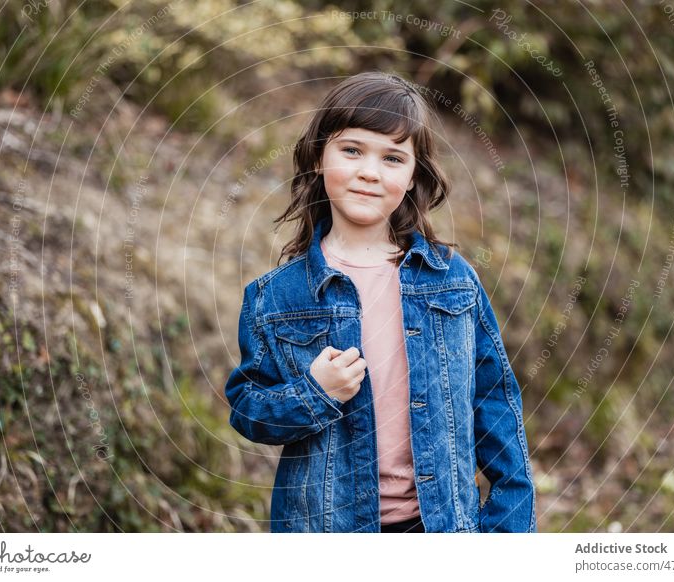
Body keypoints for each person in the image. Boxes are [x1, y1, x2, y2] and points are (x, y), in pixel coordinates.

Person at [224, 71, 536, 533]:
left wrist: (508, 532)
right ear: (318, 157)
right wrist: (315, 393)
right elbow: (249, 411)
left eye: (393, 157)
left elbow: (495, 406)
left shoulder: (452, 281)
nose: (370, 172)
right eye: (352, 150)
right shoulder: (275, 297)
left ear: (412, 177)